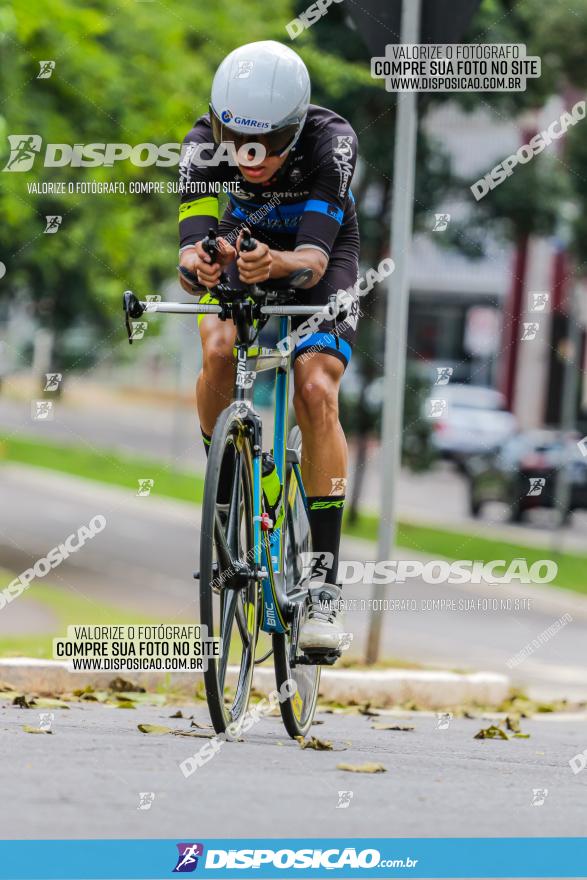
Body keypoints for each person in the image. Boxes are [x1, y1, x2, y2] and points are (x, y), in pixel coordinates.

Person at [178, 40, 359, 652]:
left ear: (298, 125)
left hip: (321, 249)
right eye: (237, 140)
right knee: (220, 348)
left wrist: (275, 263)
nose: (252, 158)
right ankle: (228, 493)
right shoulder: (203, 142)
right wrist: (202, 266)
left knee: (314, 382)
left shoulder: (331, 142)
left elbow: (308, 265)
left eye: (271, 143)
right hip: (242, 240)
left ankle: (323, 585)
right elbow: (188, 251)